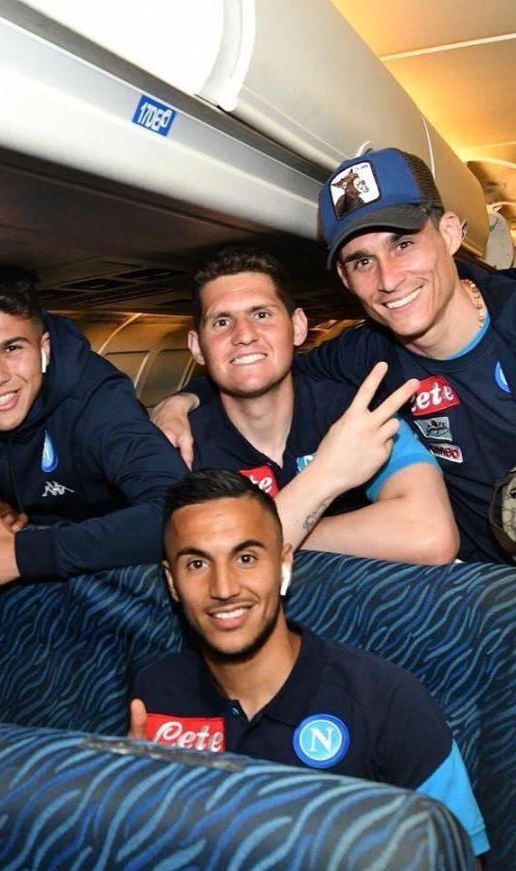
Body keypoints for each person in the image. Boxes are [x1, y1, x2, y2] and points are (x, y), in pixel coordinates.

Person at [150, 148, 516, 565]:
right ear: (345, 278)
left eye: (403, 244)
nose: (389, 279)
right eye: (363, 261)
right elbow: (261, 364)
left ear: (450, 233)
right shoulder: (364, 354)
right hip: (477, 583)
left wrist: (276, 530)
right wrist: (180, 400)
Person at [129, 470, 487, 855]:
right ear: (171, 582)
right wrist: (138, 801)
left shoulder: (386, 701)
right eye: (197, 564)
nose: (224, 588)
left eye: (246, 558)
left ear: (284, 563)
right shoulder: (156, 693)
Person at [0, 266, 188, 612]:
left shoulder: (95, 399)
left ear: (43, 347)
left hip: (99, 569)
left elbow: (179, 510)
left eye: (12, 349)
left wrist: (21, 554)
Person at [182, 246, 457, 563]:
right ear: (197, 347)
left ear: (298, 327)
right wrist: (328, 473)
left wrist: (263, 540)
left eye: (261, 315)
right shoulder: (179, 444)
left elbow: (430, 536)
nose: (244, 335)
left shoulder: (352, 411)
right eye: (221, 322)